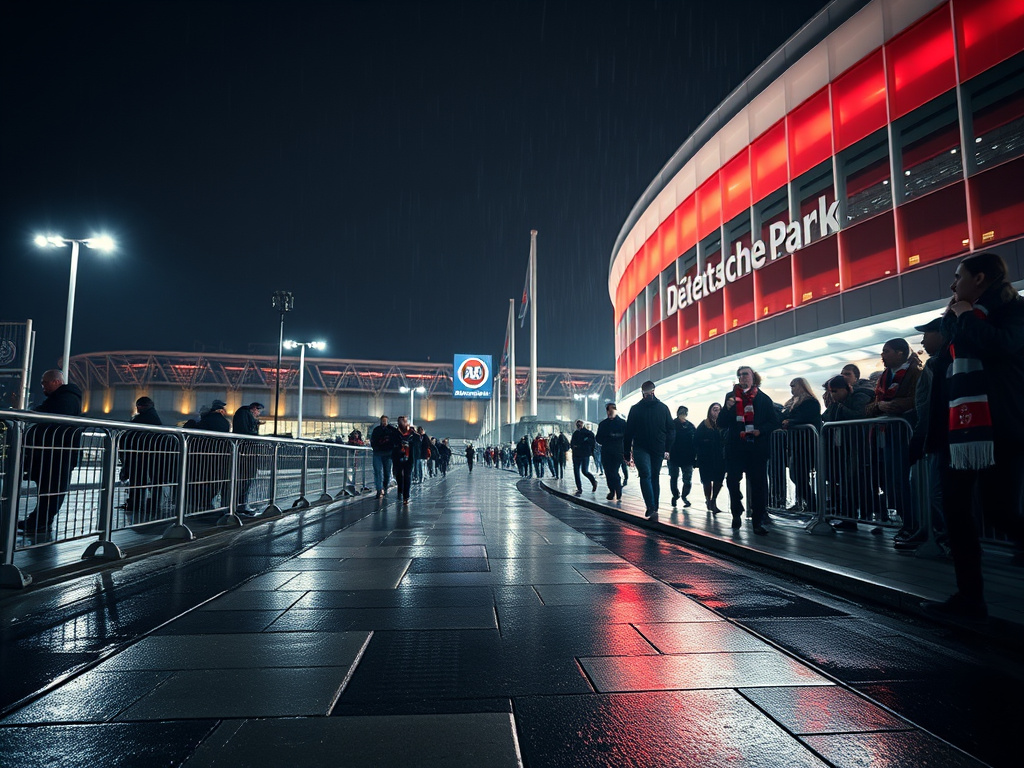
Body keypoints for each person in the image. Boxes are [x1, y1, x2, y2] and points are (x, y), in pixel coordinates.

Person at [923, 253, 1024, 621]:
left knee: (999, 512)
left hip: (1000, 427)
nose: (953, 285)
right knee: (955, 511)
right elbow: (945, 371)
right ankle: (969, 597)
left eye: (958, 276)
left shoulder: (1013, 310)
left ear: (979, 278)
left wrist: (965, 315)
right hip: (959, 432)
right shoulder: (955, 318)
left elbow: (999, 346)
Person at [900, 317, 949, 551]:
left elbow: (928, 406)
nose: (922, 341)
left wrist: (919, 438)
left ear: (941, 334)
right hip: (950, 435)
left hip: (939, 436)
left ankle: (943, 540)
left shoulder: (935, 365)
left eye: (926, 334)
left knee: (936, 492)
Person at [865, 338, 923, 533]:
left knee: (904, 480)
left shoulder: (916, 373)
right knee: (890, 481)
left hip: (905, 434)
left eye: (886, 351)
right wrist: (880, 406)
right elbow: (871, 406)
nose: (882, 355)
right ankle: (907, 522)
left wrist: (896, 406)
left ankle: (914, 524)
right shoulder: (884, 377)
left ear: (900, 353)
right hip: (885, 435)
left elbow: (919, 399)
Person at [18, 370, 84, 538]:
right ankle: (39, 521)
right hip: (55, 453)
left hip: (57, 453)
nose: (43, 387)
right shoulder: (64, 398)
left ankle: (39, 522)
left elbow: (46, 417)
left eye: (45, 383)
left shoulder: (65, 399)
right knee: (49, 489)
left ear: (56, 381)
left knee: (52, 489)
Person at [721, 367, 778, 535]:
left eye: (745, 374)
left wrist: (761, 431)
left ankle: (757, 521)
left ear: (754, 377)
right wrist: (727, 408)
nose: (742, 377)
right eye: (739, 375)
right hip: (736, 446)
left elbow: (773, 421)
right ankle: (736, 510)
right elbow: (722, 423)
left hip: (756, 447)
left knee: (758, 484)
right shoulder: (731, 397)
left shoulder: (763, 399)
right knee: (732, 480)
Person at [822, 375, 873, 528]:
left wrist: (840, 408)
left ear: (846, 389)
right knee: (845, 481)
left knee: (852, 482)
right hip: (844, 446)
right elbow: (825, 417)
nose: (833, 395)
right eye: (831, 392)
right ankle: (848, 517)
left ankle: (858, 517)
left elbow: (860, 415)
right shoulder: (838, 404)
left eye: (835, 391)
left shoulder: (859, 397)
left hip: (857, 446)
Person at [623, 380, 673, 518]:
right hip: (646, 447)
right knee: (646, 474)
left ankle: (653, 506)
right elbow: (629, 432)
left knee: (653, 476)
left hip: (651, 447)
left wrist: (667, 448)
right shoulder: (661, 408)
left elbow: (629, 431)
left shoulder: (639, 409)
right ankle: (651, 505)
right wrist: (626, 451)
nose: (647, 395)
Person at [780, 378, 821, 512]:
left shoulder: (810, 402)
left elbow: (806, 417)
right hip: (797, 442)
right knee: (797, 474)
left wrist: (790, 422)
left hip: (806, 442)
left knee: (798, 475)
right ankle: (807, 503)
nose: (792, 389)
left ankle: (812, 503)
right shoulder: (792, 402)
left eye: (794, 386)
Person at [120, 396, 163, 515]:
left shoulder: (142, 418)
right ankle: (152, 504)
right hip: (151, 455)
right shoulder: (154, 417)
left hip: (140, 454)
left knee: (137, 480)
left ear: (141, 406)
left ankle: (136, 503)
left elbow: (131, 434)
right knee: (153, 480)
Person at [232, 402, 264, 514]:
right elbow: (244, 431)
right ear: (254, 408)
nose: (258, 413)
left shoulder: (244, 414)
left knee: (245, 479)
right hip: (246, 452)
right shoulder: (244, 414)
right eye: (258, 410)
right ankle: (240, 504)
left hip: (246, 451)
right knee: (245, 478)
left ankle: (240, 504)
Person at [695, 403, 726, 513]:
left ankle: (714, 500)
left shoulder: (723, 425)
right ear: (710, 411)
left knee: (719, 480)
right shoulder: (704, 425)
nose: (717, 412)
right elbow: (696, 440)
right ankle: (708, 500)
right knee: (707, 480)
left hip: (720, 457)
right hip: (706, 457)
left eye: (719, 410)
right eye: (715, 410)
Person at [596, 402, 627, 500]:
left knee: (613, 471)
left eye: (612, 409)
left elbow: (626, 437)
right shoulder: (603, 424)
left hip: (618, 451)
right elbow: (598, 438)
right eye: (609, 410)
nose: (610, 412)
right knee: (608, 472)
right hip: (606, 451)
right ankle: (612, 490)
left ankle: (617, 488)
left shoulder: (622, 423)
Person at [667, 405, 696, 508]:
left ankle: (678, 496)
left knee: (675, 477)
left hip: (680, 456)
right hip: (680, 456)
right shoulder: (690, 426)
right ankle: (682, 496)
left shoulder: (673, 425)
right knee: (683, 478)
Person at [370, 415, 398, 497]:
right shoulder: (377, 430)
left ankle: (385, 486)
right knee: (377, 471)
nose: (384, 422)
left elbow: (396, 439)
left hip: (388, 453)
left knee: (387, 472)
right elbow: (373, 440)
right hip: (378, 453)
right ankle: (379, 490)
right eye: (383, 421)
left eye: (385, 421)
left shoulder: (391, 430)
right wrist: (375, 447)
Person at [569, 419, 598, 496]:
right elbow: (572, 443)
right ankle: (579, 488)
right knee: (576, 471)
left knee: (584, 471)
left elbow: (592, 442)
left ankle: (593, 481)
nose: (579, 425)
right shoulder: (576, 433)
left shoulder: (588, 433)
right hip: (577, 455)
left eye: (580, 424)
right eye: (578, 424)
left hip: (584, 454)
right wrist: (573, 446)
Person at [392, 416, 416, 504]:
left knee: (407, 475)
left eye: (404, 421)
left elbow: (417, 444)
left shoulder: (412, 433)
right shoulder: (395, 433)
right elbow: (392, 442)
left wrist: (409, 445)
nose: (402, 423)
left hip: (409, 456)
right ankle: (400, 489)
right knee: (398, 474)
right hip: (398, 456)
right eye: (400, 421)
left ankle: (406, 496)